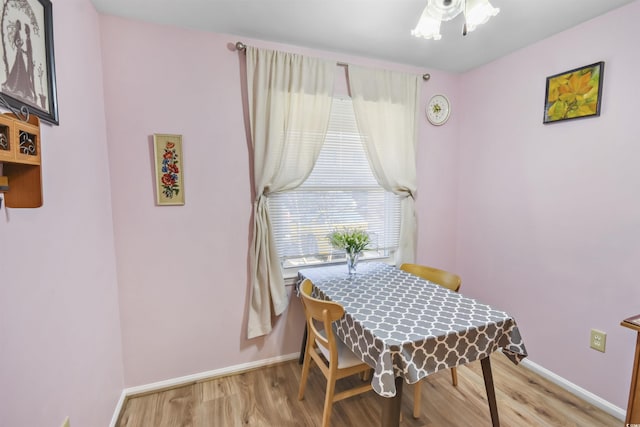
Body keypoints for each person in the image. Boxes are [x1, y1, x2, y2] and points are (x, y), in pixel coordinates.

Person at [2, 20, 34, 103]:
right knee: (17, 69)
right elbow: (16, 42)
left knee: (20, 70)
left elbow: (19, 43)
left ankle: (21, 89)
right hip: (19, 56)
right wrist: (19, 45)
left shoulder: (20, 34)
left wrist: (22, 49)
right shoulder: (17, 34)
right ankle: (15, 87)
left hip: (20, 56)